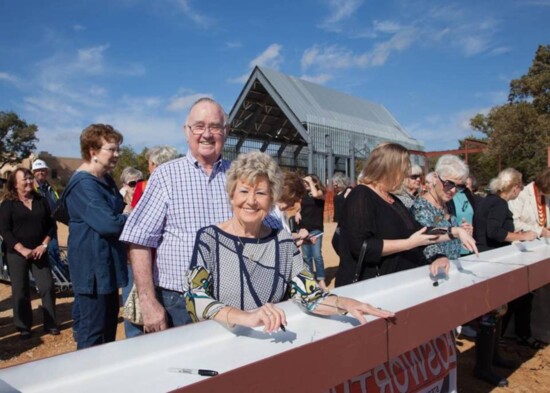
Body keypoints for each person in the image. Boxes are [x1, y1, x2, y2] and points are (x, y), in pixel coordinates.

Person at [184, 151, 394, 331]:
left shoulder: (282, 242)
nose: (251, 201)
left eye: (261, 193)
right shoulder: (209, 239)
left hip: (272, 342)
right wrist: (246, 317)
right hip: (223, 345)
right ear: (231, 195)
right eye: (244, 191)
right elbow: (195, 298)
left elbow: (309, 296)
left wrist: (344, 303)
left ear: (272, 199)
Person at [120, 98, 235, 333]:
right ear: (186, 131)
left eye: (215, 126)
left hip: (231, 299)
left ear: (226, 131)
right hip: (179, 302)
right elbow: (139, 240)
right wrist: (148, 301)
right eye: (199, 126)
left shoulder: (239, 176)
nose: (206, 134)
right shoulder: (166, 176)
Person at [335, 143, 473, 287]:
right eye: (404, 170)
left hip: (395, 284)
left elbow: (419, 232)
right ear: (390, 169)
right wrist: (408, 244)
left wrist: (452, 235)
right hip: (370, 288)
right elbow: (360, 246)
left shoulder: (394, 200)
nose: (405, 176)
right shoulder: (361, 195)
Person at [63, 124, 128, 349]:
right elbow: (109, 223)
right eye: (111, 149)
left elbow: (117, 211)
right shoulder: (83, 184)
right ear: (93, 151)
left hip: (106, 268)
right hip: (91, 272)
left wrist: (123, 213)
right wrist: (127, 215)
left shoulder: (107, 180)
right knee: (92, 332)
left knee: (108, 329)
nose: (117, 154)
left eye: (118, 149)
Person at [473, 168, 537, 387]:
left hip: (486, 261)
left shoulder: (488, 200)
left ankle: (493, 357)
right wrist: (523, 236)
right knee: (490, 313)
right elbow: (495, 232)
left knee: (496, 312)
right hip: (490, 263)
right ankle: (484, 367)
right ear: (515, 186)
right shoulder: (499, 204)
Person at [122, 147, 178, 339]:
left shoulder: (144, 186)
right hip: (166, 262)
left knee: (138, 304)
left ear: (153, 165)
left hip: (145, 257)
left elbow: (138, 223)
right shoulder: (179, 182)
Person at [0, 168, 59, 339]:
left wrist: (44, 245)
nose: (28, 182)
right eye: (23, 179)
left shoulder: (41, 200)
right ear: (14, 184)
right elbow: (4, 230)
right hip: (16, 253)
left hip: (39, 251)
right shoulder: (8, 204)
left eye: (29, 178)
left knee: (47, 286)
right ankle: (23, 326)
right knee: (21, 290)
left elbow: (51, 225)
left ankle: (50, 323)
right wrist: (21, 249)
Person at [506, 168, 550, 349]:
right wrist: (540, 230)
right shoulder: (523, 194)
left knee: (535, 295)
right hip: (521, 249)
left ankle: (531, 332)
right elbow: (513, 221)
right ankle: (511, 333)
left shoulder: (546, 197)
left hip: (540, 249)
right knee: (519, 295)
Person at [411, 155, 477, 266]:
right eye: (449, 184)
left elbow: (448, 235)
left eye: (459, 186)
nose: (453, 190)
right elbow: (428, 235)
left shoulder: (448, 203)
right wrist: (457, 231)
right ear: (435, 177)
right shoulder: (420, 206)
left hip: (453, 268)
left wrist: (464, 234)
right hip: (431, 272)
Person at [296, 174, 327, 288]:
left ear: (315, 182)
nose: (305, 184)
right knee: (306, 257)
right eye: (305, 183)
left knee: (317, 256)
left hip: (316, 229)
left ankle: (321, 279)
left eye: (308, 182)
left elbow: (315, 195)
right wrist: (298, 212)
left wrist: (309, 181)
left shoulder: (320, 193)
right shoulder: (304, 195)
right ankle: (311, 279)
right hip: (304, 229)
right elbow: (302, 207)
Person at [32, 159, 62, 273]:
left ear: (47, 172)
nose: (40, 173)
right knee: (40, 254)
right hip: (38, 228)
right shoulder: (30, 189)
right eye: (37, 170)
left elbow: (57, 205)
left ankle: (57, 278)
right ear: (33, 172)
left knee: (54, 252)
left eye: (43, 170)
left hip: (51, 227)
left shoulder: (50, 189)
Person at [270, 171, 309, 246]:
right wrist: (300, 235)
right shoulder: (270, 214)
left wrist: (299, 241)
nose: (293, 204)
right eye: (293, 200)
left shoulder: (279, 212)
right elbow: (277, 243)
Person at [331, 172, 352, 256]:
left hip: (347, 222)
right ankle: (345, 259)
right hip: (340, 222)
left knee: (339, 242)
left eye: (334, 182)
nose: (333, 184)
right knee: (336, 242)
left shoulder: (348, 190)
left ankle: (346, 260)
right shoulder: (337, 192)